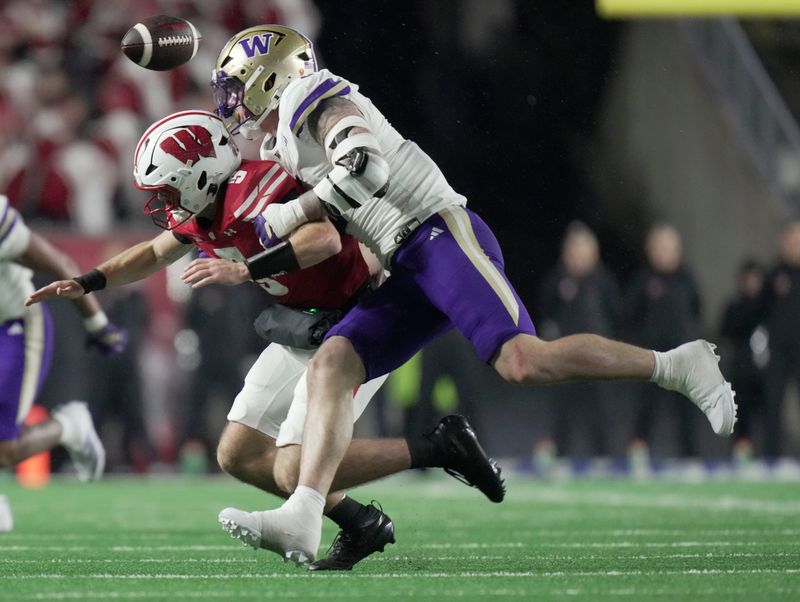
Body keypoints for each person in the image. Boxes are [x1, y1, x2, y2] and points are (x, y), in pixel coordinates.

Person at [206, 24, 738, 565]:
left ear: (269, 78)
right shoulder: (287, 140)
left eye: (235, 85)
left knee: (522, 362)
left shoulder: (311, 97)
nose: (230, 100)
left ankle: (676, 364)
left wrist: (297, 211)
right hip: (404, 262)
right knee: (331, 366)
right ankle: (304, 517)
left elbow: (366, 165)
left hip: (438, 233)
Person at [27, 110, 504, 569]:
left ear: (198, 174)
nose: (164, 203)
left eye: (168, 189)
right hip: (307, 323)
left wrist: (244, 269)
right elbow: (153, 252)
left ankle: (439, 448)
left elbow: (324, 239)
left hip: (358, 321)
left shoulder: (256, 187)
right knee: (238, 454)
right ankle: (361, 523)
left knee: (295, 468)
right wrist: (88, 281)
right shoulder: (206, 209)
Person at [0, 193, 126, 532]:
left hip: (13, 326)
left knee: (5, 450)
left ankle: (69, 426)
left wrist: (96, 324)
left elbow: (61, 265)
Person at [536, 221, 622, 459]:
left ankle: (606, 461)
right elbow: (545, 314)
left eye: (586, 252)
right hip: (565, 361)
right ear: (566, 254)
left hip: (597, 362)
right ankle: (559, 459)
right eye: (576, 251)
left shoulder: (603, 282)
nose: (581, 258)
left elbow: (617, 316)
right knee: (563, 415)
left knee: (602, 415)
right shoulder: (557, 281)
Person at [625, 223, 703, 459]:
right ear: (651, 251)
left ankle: (691, 458)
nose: (665, 253)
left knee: (687, 410)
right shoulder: (643, 280)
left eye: (670, 248)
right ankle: (638, 451)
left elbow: (697, 309)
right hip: (653, 356)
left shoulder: (687, 278)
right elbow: (630, 314)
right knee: (646, 407)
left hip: (683, 357)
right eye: (660, 248)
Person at [720, 259, 767, 463]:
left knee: (768, 413)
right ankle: (742, 451)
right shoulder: (735, 306)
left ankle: (768, 452)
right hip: (742, 369)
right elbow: (726, 332)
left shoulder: (770, 306)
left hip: (766, 370)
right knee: (742, 413)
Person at [760, 221, 800, 460]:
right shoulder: (774, 275)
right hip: (778, 351)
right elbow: (760, 311)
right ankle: (771, 459)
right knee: (773, 404)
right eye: (791, 242)